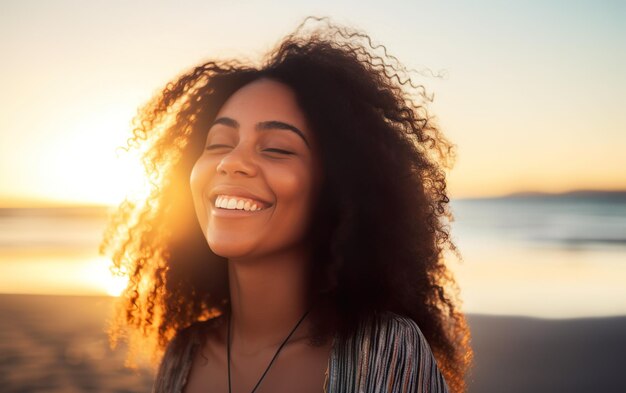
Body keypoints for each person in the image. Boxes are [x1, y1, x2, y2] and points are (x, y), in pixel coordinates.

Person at [100, 17, 472, 393]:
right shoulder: (183, 356)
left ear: (336, 188)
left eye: (277, 148)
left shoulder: (385, 352)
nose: (231, 162)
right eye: (218, 143)